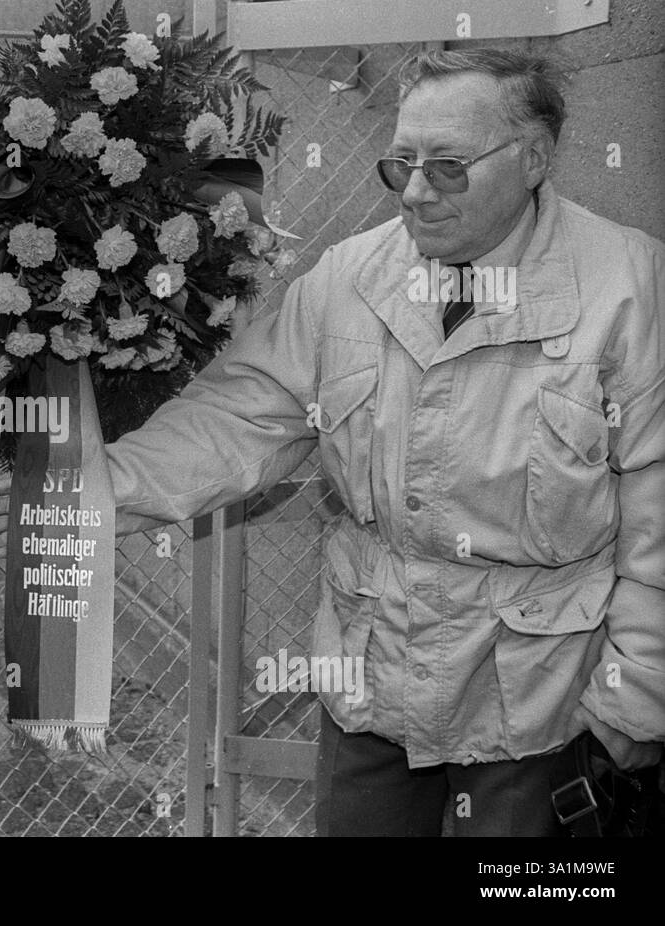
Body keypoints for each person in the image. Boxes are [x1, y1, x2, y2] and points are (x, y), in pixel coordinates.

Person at [103, 49, 663, 835]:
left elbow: (656, 520)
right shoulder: (351, 278)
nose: (415, 194)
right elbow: (236, 416)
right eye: (399, 164)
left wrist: (636, 697)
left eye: (448, 167)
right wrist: (84, 493)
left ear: (534, 158)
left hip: (540, 712)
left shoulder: (629, 289)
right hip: (375, 691)